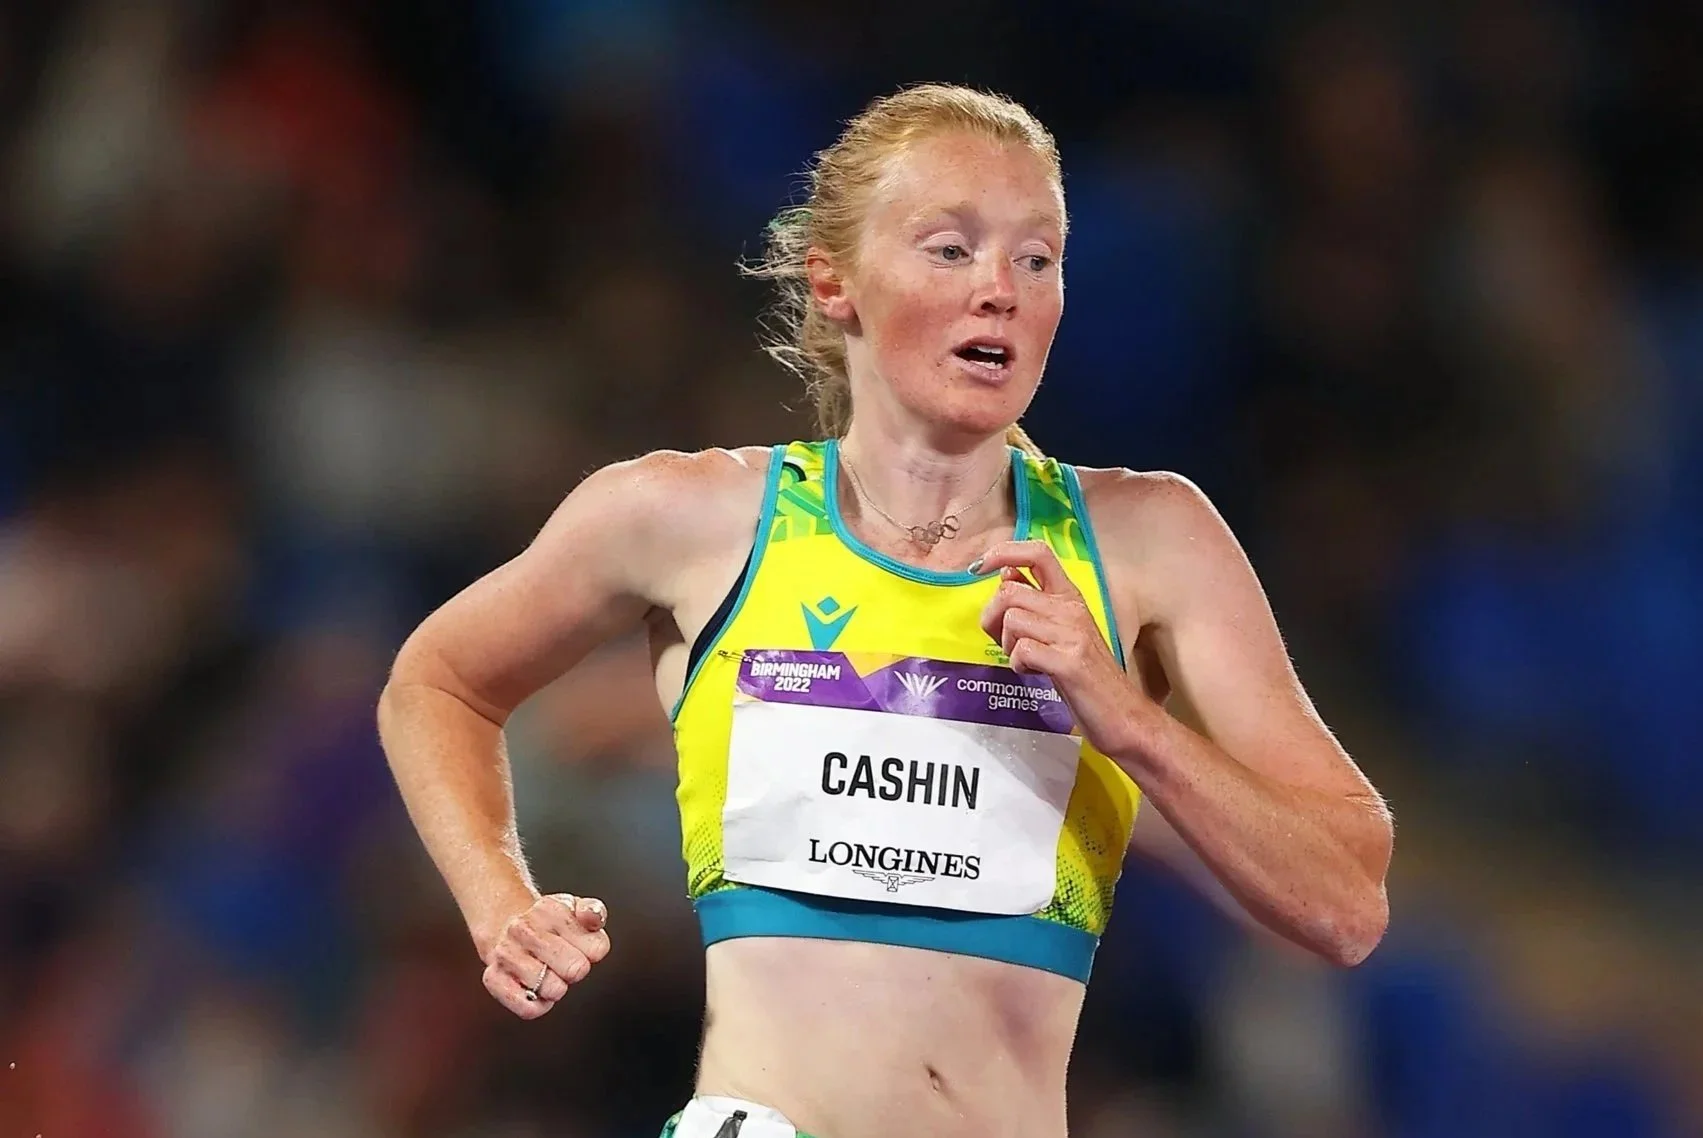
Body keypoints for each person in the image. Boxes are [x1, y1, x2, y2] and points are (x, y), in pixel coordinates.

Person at [377, 83, 1394, 1138]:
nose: (999, 289)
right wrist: (500, 902)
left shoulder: (1149, 540)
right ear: (835, 282)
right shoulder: (689, 519)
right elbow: (438, 682)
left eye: (1036, 258)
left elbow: (1347, 902)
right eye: (951, 249)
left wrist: (1125, 717)